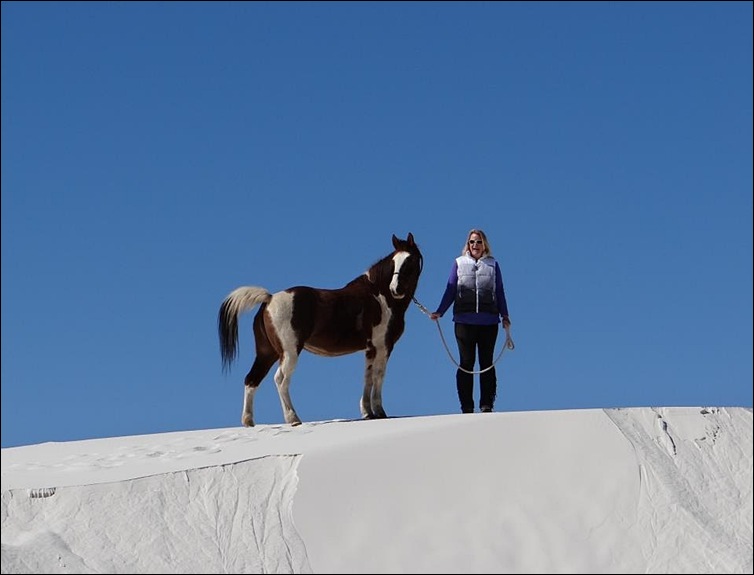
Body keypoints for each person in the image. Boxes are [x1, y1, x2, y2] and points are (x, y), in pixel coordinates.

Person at [430, 229, 511, 414]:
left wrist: (505, 316)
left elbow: (499, 291)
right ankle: (466, 405)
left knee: (486, 363)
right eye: (472, 242)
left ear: (484, 245)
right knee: (466, 363)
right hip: (464, 322)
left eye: (479, 242)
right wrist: (440, 311)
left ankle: (487, 404)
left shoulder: (493, 265)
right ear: (468, 244)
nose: (475, 245)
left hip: (489, 322)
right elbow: (450, 289)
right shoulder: (459, 263)